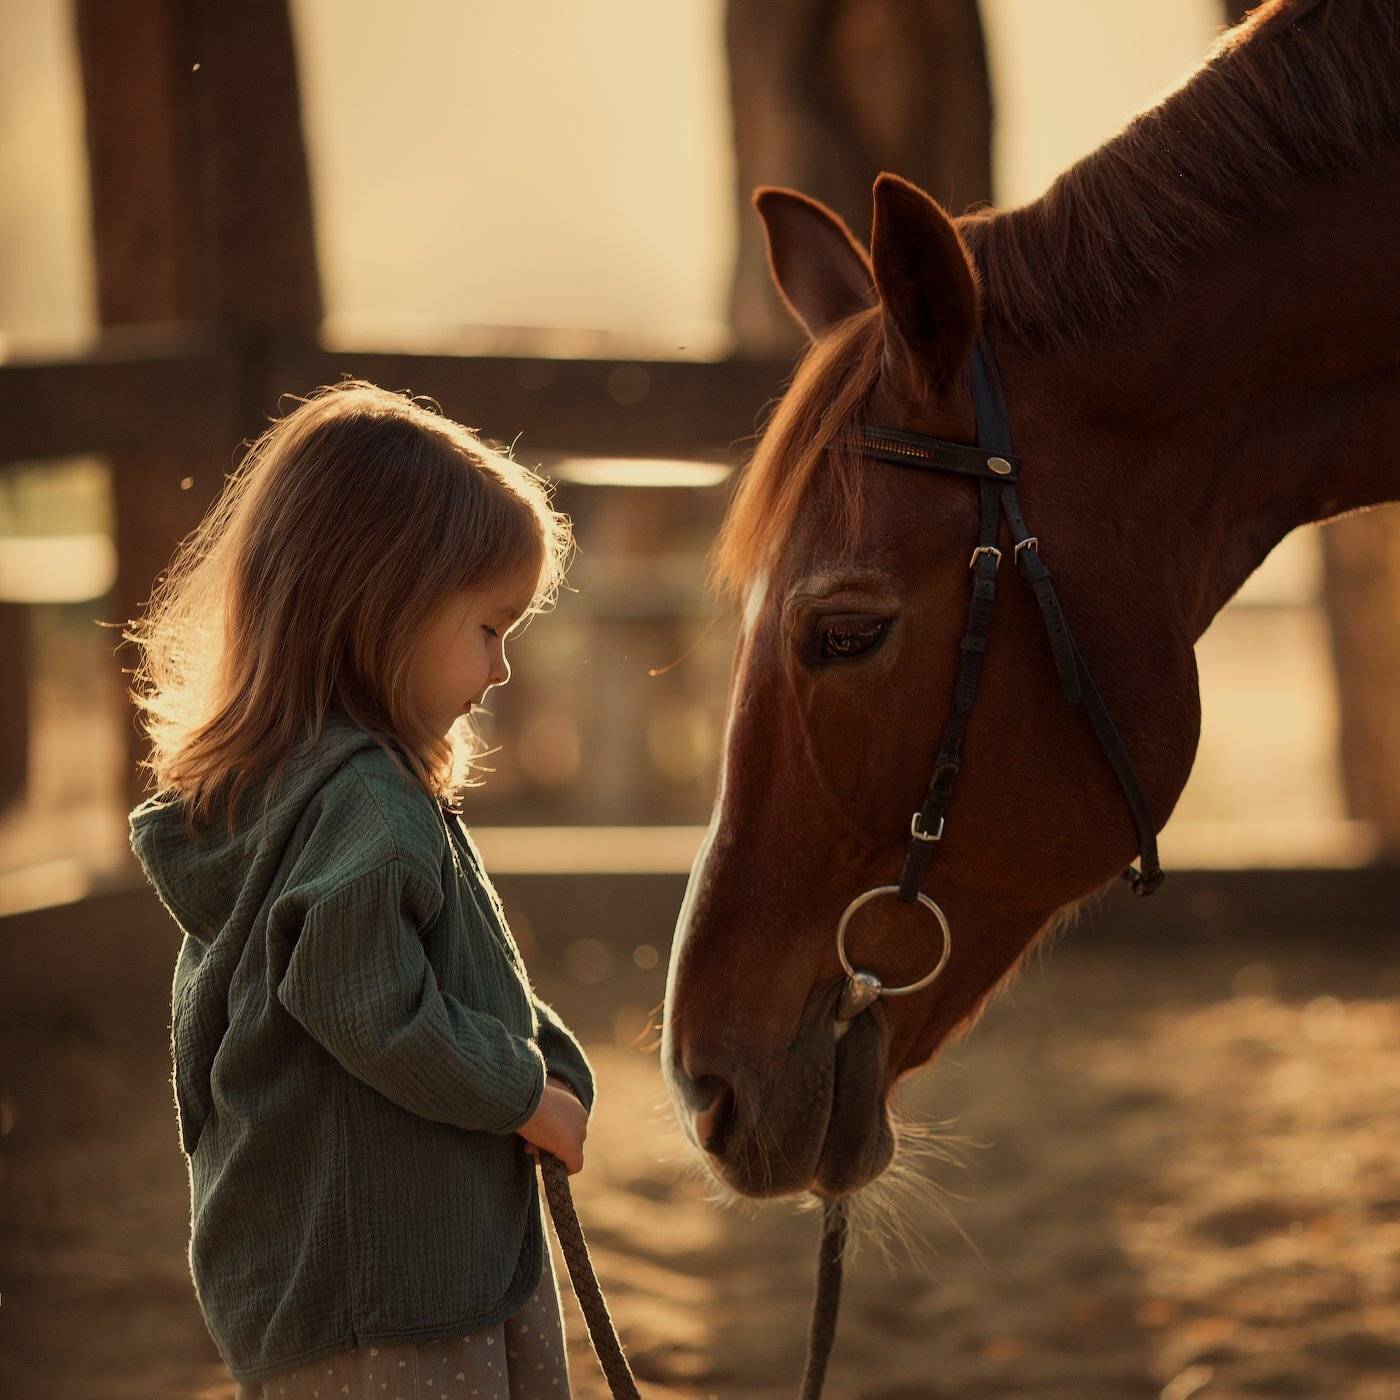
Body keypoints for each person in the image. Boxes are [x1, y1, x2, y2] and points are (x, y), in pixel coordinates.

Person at [126, 380, 593, 1399]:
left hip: (369, 1278)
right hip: (392, 1297)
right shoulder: (366, 804)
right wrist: (522, 1091)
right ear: (382, 610)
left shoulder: (307, 791)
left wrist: (544, 1053)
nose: (503, 669)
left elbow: (443, 972)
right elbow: (367, 1002)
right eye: (489, 627)